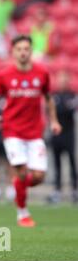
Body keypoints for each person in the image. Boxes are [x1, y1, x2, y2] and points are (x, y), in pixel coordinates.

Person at [0, 35, 62, 227]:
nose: (23, 52)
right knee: (21, 171)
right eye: (19, 49)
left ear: (31, 50)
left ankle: (18, 187)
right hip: (12, 131)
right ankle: (23, 214)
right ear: (13, 51)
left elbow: (49, 99)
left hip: (35, 132)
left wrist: (54, 121)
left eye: (26, 49)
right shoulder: (4, 75)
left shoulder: (42, 73)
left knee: (38, 177)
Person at [47, 70, 78, 204]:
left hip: (69, 135)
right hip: (56, 135)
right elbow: (51, 110)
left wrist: (60, 108)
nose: (62, 82)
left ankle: (74, 190)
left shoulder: (72, 96)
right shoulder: (54, 96)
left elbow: (68, 109)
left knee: (72, 162)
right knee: (57, 163)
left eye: (64, 79)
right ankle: (57, 190)